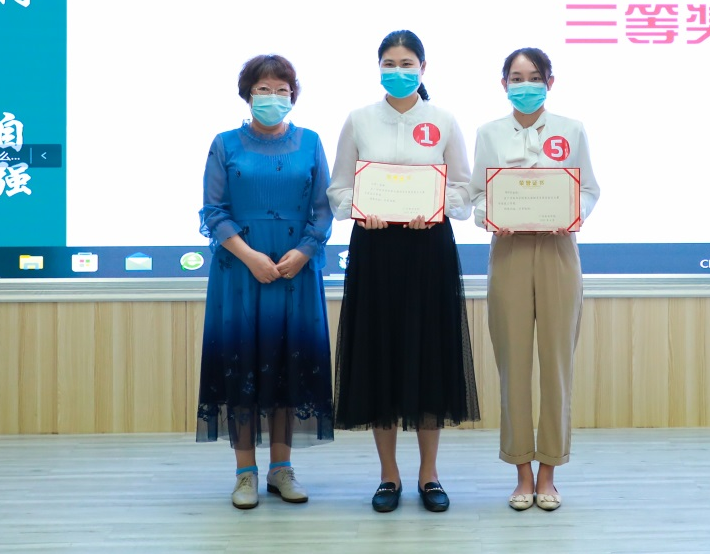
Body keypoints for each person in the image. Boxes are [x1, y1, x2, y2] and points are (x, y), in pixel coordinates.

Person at [328, 30, 480, 514]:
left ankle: (429, 475)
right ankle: (388, 476)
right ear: (378, 69)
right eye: (389, 64)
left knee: (428, 357)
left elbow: (464, 189)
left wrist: (434, 206)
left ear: (423, 68)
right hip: (375, 250)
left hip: (427, 249)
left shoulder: (442, 120)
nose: (398, 71)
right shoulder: (359, 120)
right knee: (380, 358)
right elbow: (338, 189)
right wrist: (359, 210)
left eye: (407, 63)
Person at [197, 54, 334, 510]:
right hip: (240, 271)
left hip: (296, 271)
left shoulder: (311, 142)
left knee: (287, 364)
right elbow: (214, 211)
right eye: (263, 89)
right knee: (243, 365)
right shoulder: (224, 144)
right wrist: (251, 256)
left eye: (281, 90)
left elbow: (323, 209)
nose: (273, 97)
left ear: (293, 95)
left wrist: (305, 251)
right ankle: (245, 473)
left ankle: (281, 468)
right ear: (247, 94)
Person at [468, 47, 600, 512]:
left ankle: (549, 473)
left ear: (549, 82)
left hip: (559, 249)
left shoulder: (571, 129)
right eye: (516, 77)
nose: (525, 85)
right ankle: (521, 472)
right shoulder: (489, 133)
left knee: (557, 364)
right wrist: (491, 217)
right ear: (503, 83)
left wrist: (571, 214)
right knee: (514, 365)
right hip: (509, 251)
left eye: (534, 77)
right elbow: (477, 195)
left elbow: (588, 189)